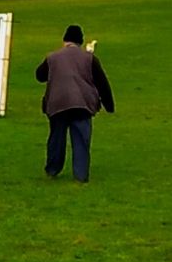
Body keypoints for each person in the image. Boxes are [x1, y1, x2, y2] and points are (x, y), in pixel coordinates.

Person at [35, 24, 114, 183]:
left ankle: (52, 170)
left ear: (64, 40)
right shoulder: (89, 58)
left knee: (56, 138)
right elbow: (102, 83)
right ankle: (80, 175)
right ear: (80, 42)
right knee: (81, 140)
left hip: (57, 103)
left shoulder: (52, 57)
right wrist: (109, 105)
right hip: (82, 103)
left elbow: (40, 76)